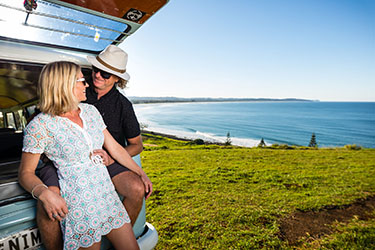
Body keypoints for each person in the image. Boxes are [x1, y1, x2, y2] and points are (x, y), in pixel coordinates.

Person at [19, 61, 152, 250]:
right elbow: (25, 173)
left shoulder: (91, 111)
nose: (87, 85)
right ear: (65, 85)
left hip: (106, 195)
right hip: (79, 204)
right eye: (82, 81)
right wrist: (45, 193)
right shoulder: (40, 126)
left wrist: (140, 173)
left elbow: (115, 148)